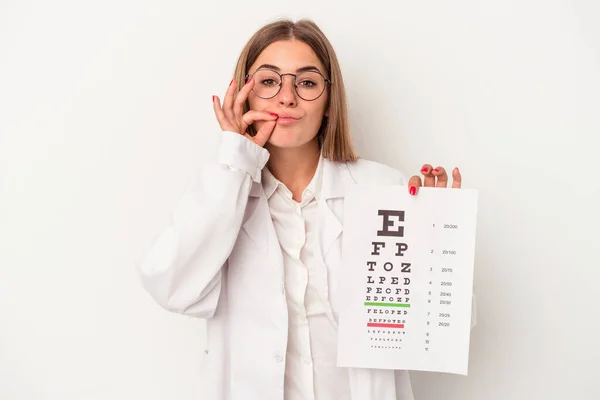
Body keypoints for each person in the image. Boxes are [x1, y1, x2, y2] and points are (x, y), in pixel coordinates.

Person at [136, 18, 474, 400]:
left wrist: (441, 239)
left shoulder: (385, 191)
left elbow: (444, 326)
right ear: (244, 95)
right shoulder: (224, 195)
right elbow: (169, 286)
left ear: (329, 102)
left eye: (307, 82)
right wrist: (233, 160)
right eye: (268, 81)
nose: (287, 97)